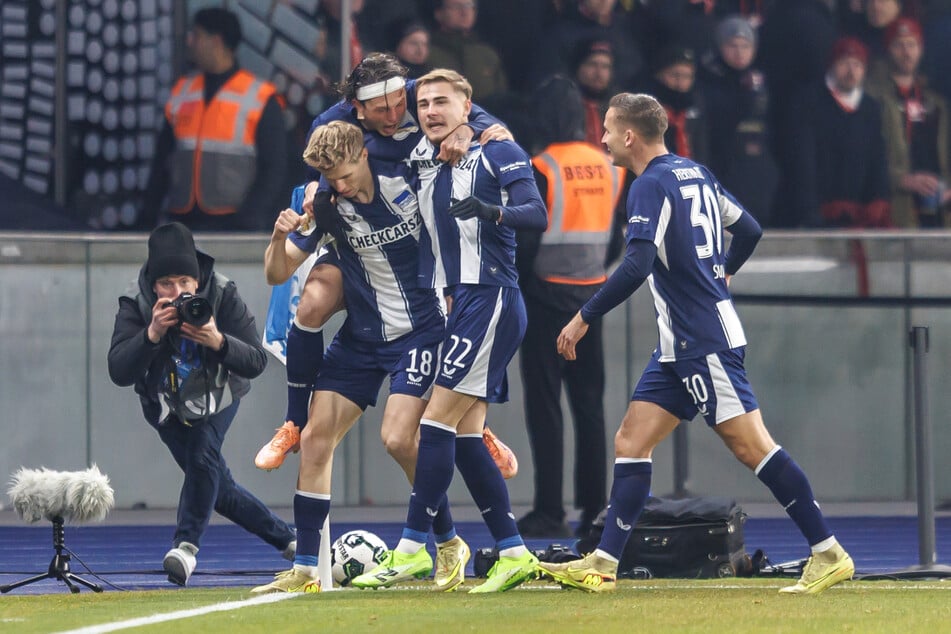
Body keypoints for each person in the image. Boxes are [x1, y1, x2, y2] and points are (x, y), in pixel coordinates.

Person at [537, 93, 854, 595]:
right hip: (679, 346)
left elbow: (637, 266)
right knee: (631, 441)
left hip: (702, 341)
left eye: (607, 130)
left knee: (752, 447)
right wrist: (724, 271)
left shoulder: (649, 185)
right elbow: (748, 229)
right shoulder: (695, 173)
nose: (600, 139)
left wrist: (583, 317)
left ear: (628, 136)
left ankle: (828, 551)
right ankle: (602, 563)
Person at [253, 54, 517, 476]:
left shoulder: (415, 97)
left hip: (416, 226)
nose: (396, 114)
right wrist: (314, 190)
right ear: (357, 109)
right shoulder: (333, 126)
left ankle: (475, 425)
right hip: (353, 229)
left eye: (400, 104)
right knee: (313, 302)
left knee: (467, 307)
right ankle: (293, 422)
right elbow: (324, 166)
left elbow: (470, 112)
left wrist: (473, 128)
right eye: (382, 110)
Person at [251, 121, 470, 594]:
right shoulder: (326, 203)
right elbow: (276, 273)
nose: (340, 185)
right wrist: (278, 235)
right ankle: (307, 569)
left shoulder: (409, 183)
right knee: (314, 440)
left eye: (345, 174)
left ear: (364, 156)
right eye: (330, 179)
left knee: (397, 439)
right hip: (361, 339)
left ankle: (448, 541)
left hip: (419, 332)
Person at [351, 69, 548, 593]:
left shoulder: (497, 150)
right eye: (424, 103)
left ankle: (414, 548)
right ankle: (513, 552)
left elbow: (537, 213)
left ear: (468, 107)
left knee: (433, 425)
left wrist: (492, 210)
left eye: (443, 102)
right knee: (462, 438)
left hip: (489, 298)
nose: (432, 111)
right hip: (454, 308)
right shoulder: (422, 154)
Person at [107, 222, 296, 586]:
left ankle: (186, 547)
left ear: (196, 279)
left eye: (184, 282)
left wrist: (218, 341)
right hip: (165, 405)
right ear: (153, 283)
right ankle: (291, 542)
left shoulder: (222, 293)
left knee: (202, 457)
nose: (178, 293)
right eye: (167, 284)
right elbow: (118, 370)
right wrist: (151, 334)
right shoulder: (137, 303)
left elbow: (256, 361)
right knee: (217, 488)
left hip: (218, 397)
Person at [516, 76, 625, 539]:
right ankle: (596, 507)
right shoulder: (609, 167)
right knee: (590, 405)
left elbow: (525, 239)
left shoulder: (541, 167)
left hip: (543, 298)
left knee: (545, 405)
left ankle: (548, 508)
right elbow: (618, 238)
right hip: (593, 296)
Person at [140, 8, 288, 231]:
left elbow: (275, 168)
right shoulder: (184, 91)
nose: (190, 42)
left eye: (197, 35)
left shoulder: (259, 97)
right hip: (182, 221)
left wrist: (252, 217)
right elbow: (162, 161)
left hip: (233, 223)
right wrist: (147, 216)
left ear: (216, 41)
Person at [787, 37, 891, 228]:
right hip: (819, 214)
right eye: (845, 63)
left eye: (857, 65)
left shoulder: (870, 107)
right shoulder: (809, 102)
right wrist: (813, 209)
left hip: (861, 214)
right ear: (832, 65)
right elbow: (803, 162)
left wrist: (879, 199)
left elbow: (878, 157)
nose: (851, 71)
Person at [866, 17, 951, 227]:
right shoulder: (871, 99)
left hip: (938, 208)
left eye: (912, 44)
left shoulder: (936, 102)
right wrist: (901, 180)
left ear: (921, 49)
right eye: (899, 45)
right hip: (895, 208)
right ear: (888, 49)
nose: (907, 52)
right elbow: (863, 157)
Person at [426, 0, 509, 100]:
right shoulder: (426, 52)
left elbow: (502, 96)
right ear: (438, 14)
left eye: (469, 6)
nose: (465, 12)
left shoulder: (487, 54)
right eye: (456, 6)